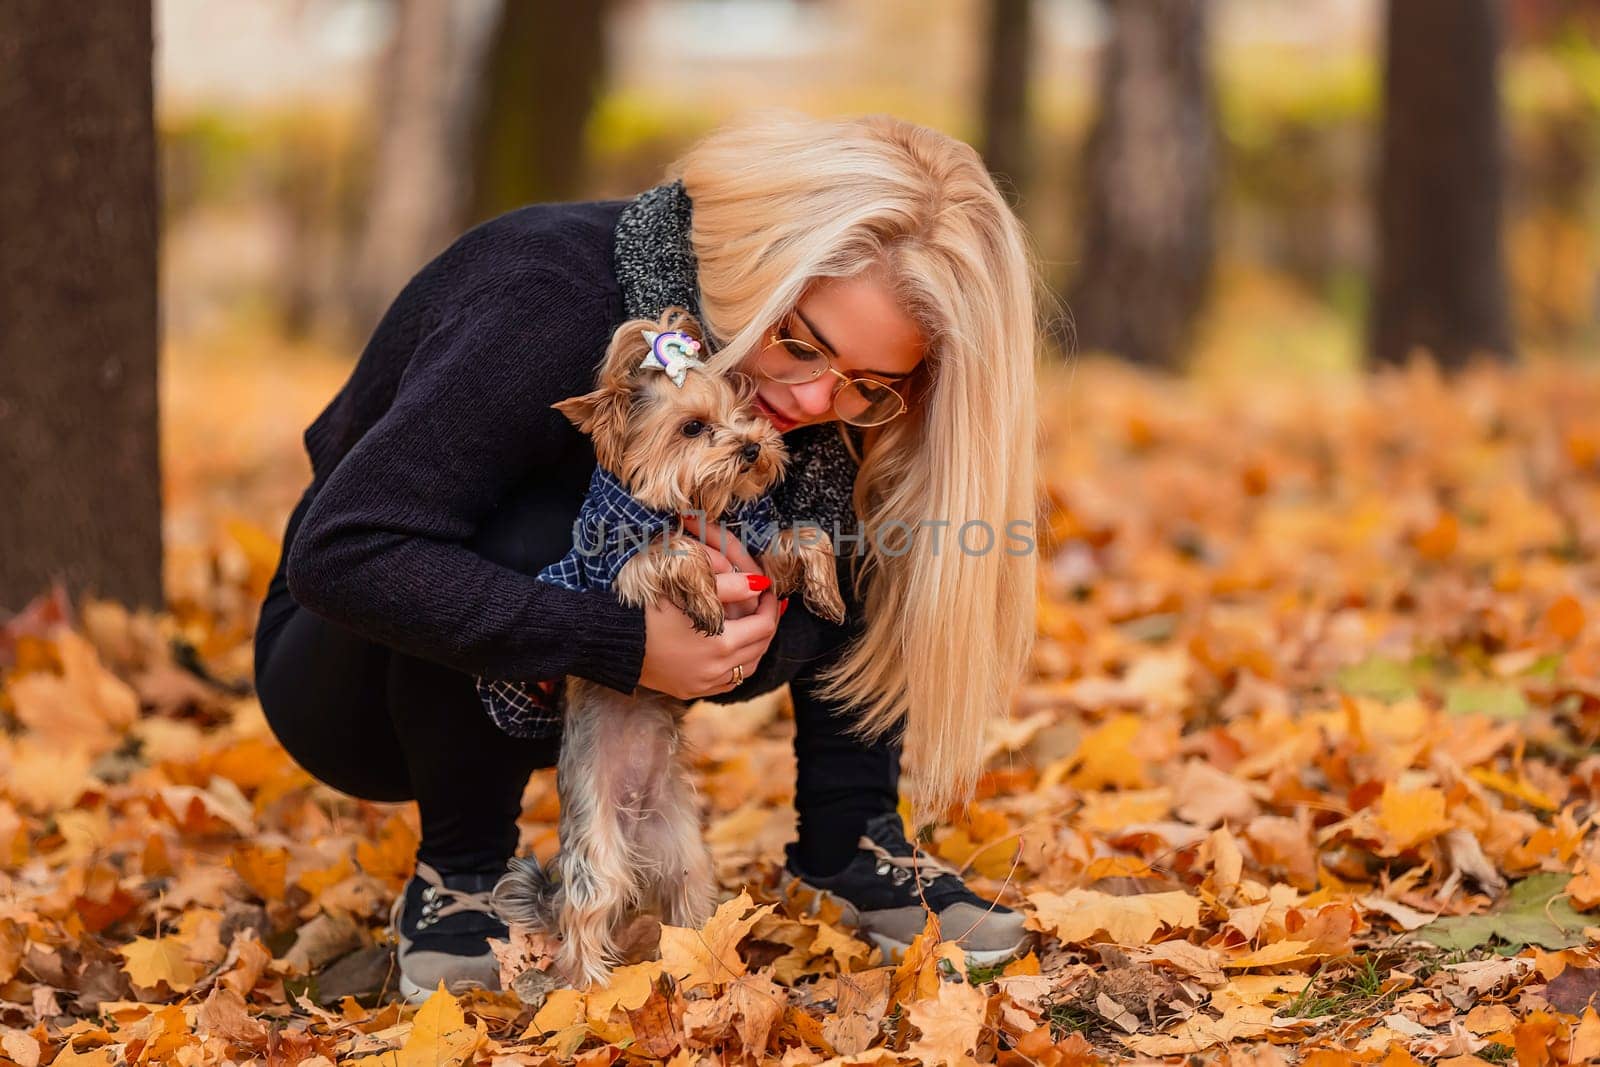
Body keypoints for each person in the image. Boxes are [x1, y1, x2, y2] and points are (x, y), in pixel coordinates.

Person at [253, 111, 1043, 1000]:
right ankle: (460, 871)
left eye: (867, 382)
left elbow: (813, 542)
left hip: (615, 664)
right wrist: (618, 642)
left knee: (874, 491)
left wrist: (727, 638)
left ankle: (849, 840)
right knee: (540, 518)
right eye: (800, 342)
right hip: (362, 674)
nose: (818, 392)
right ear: (755, 261)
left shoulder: (824, 397)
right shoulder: (546, 294)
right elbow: (347, 552)